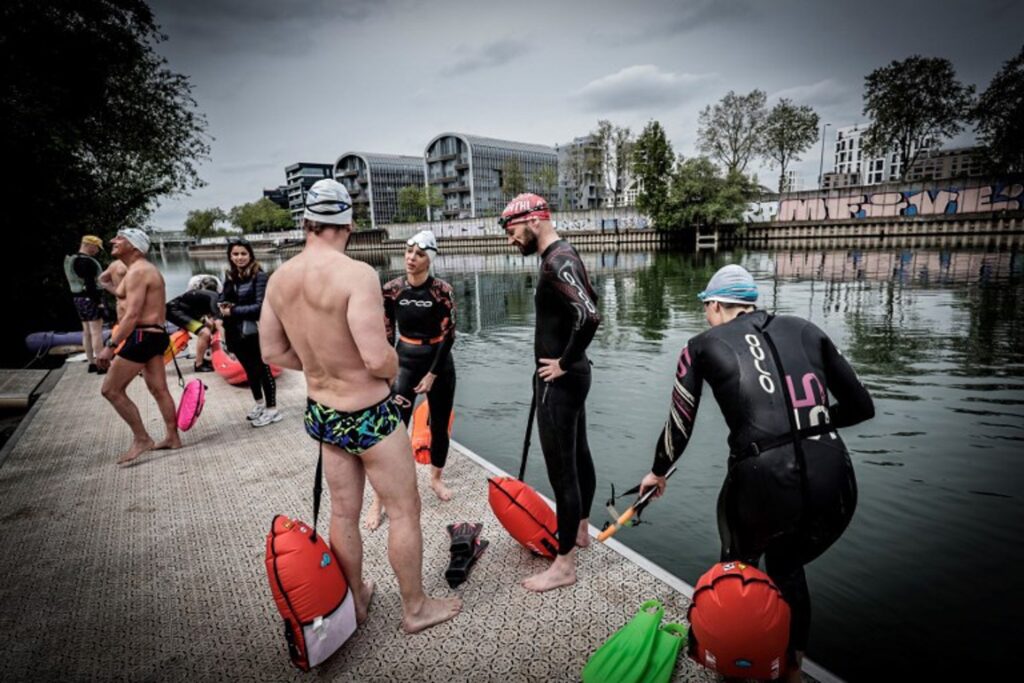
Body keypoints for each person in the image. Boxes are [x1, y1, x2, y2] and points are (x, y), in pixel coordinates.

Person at [637, 264, 875, 682]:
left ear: (714, 305)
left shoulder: (701, 345)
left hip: (762, 484)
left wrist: (658, 473)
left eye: (705, 308)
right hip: (836, 483)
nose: (705, 317)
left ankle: (734, 664)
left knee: (737, 569)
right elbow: (861, 407)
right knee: (787, 565)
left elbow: (680, 424)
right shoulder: (807, 329)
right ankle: (793, 668)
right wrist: (806, 423)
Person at [259, 178, 460, 633]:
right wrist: (391, 370)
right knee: (405, 510)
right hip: (368, 415)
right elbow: (375, 358)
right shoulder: (357, 275)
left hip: (322, 412)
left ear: (307, 222)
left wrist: (317, 364)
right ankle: (415, 608)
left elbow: (271, 351)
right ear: (347, 223)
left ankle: (356, 601)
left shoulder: (280, 278)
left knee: (343, 512)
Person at [500, 193, 601, 592]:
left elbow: (590, 315)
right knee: (579, 454)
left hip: (559, 380)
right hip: (573, 376)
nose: (510, 240)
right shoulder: (562, 255)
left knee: (563, 473)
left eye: (512, 231)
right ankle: (580, 530)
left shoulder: (557, 261)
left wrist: (560, 361)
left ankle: (564, 566)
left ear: (534, 221)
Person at [365, 230, 457, 530]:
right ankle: (379, 499)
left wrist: (432, 374)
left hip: (438, 362)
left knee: (439, 425)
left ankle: (435, 479)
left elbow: (449, 335)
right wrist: (387, 368)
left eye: (418, 254)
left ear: (429, 259)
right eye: (408, 252)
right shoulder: (392, 289)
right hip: (405, 360)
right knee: (392, 432)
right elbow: (387, 331)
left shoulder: (442, 290)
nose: (411, 258)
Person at [95, 229, 182, 465]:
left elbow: (132, 315)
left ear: (134, 247)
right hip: (156, 334)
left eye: (120, 239)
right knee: (158, 389)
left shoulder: (139, 271)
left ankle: (142, 438)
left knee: (110, 390)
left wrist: (110, 347)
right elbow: (121, 294)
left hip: (143, 335)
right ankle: (172, 438)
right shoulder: (139, 270)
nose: (113, 241)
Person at [219, 239, 279, 427]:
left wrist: (233, 310)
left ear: (250, 255)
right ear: (230, 256)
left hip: (253, 331)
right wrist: (222, 305)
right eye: (235, 254)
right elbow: (223, 299)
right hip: (234, 332)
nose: (239, 257)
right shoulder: (230, 276)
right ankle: (259, 404)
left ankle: (273, 410)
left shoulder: (259, 276)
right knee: (250, 371)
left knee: (262, 370)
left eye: (243, 253)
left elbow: (260, 307)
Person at [64, 234, 106, 373]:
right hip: (90, 298)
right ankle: (101, 364)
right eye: (96, 247)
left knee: (86, 332)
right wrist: (99, 302)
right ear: (89, 245)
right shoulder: (87, 262)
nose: (97, 251)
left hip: (77, 299)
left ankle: (91, 363)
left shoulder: (71, 259)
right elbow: (90, 284)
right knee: (96, 332)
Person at [165, 276, 219, 372]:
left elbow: (212, 320)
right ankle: (199, 364)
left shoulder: (208, 295)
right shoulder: (215, 297)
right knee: (204, 333)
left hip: (185, 311)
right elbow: (217, 319)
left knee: (209, 328)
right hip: (175, 310)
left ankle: (205, 358)